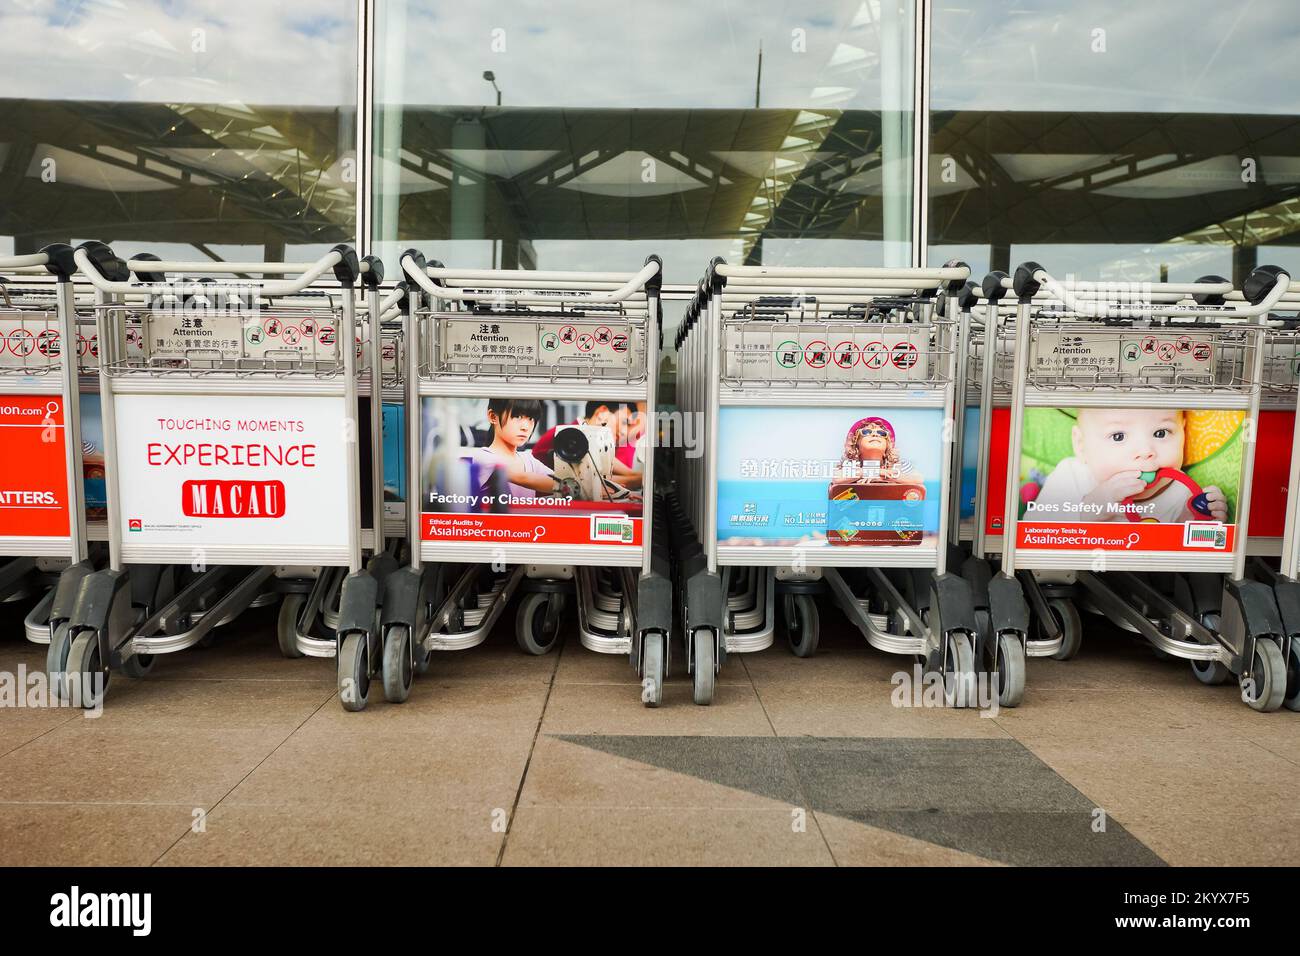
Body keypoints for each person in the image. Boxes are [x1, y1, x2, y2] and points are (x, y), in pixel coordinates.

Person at [1026, 407, 1228, 523]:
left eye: (1161, 433)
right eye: (1118, 436)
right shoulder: (1071, 476)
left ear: (1183, 432)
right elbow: (1032, 528)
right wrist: (1091, 507)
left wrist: (1191, 520)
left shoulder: (1183, 494)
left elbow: (1178, 560)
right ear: (1081, 445)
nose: (1145, 451)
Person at [464, 397, 567, 498]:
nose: (525, 427)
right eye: (517, 417)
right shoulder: (484, 457)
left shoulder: (528, 459)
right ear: (493, 417)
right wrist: (567, 487)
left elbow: (557, 479)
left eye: (531, 419)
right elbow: (523, 478)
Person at [532, 400, 642, 489]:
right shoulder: (572, 434)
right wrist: (640, 480)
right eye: (623, 422)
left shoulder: (589, 440)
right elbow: (589, 483)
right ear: (602, 413)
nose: (624, 432)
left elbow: (628, 474)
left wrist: (638, 478)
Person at [835, 416, 919, 482]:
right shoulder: (850, 466)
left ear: (888, 447)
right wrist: (877, 472)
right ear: (856, 445)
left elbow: (917, 478)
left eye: (882, 433)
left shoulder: (897, 466)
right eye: (866, 432)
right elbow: (836, 477)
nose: (875, 435)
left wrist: (881, 477)